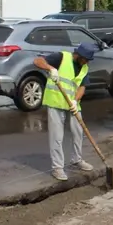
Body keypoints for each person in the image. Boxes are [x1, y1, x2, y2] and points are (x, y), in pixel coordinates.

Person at [34, 43, 97, 181]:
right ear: (79, 55)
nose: (86, 62)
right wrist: (51, 69)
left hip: (73, 104)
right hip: (56, 101)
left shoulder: (84, 67)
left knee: (78, 131)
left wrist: (75, 101)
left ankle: (77, 159)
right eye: (85, 59)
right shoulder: (61, 57)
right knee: (57, 136)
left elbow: (82, 87)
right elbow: (37, 60)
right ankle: (57, 168)